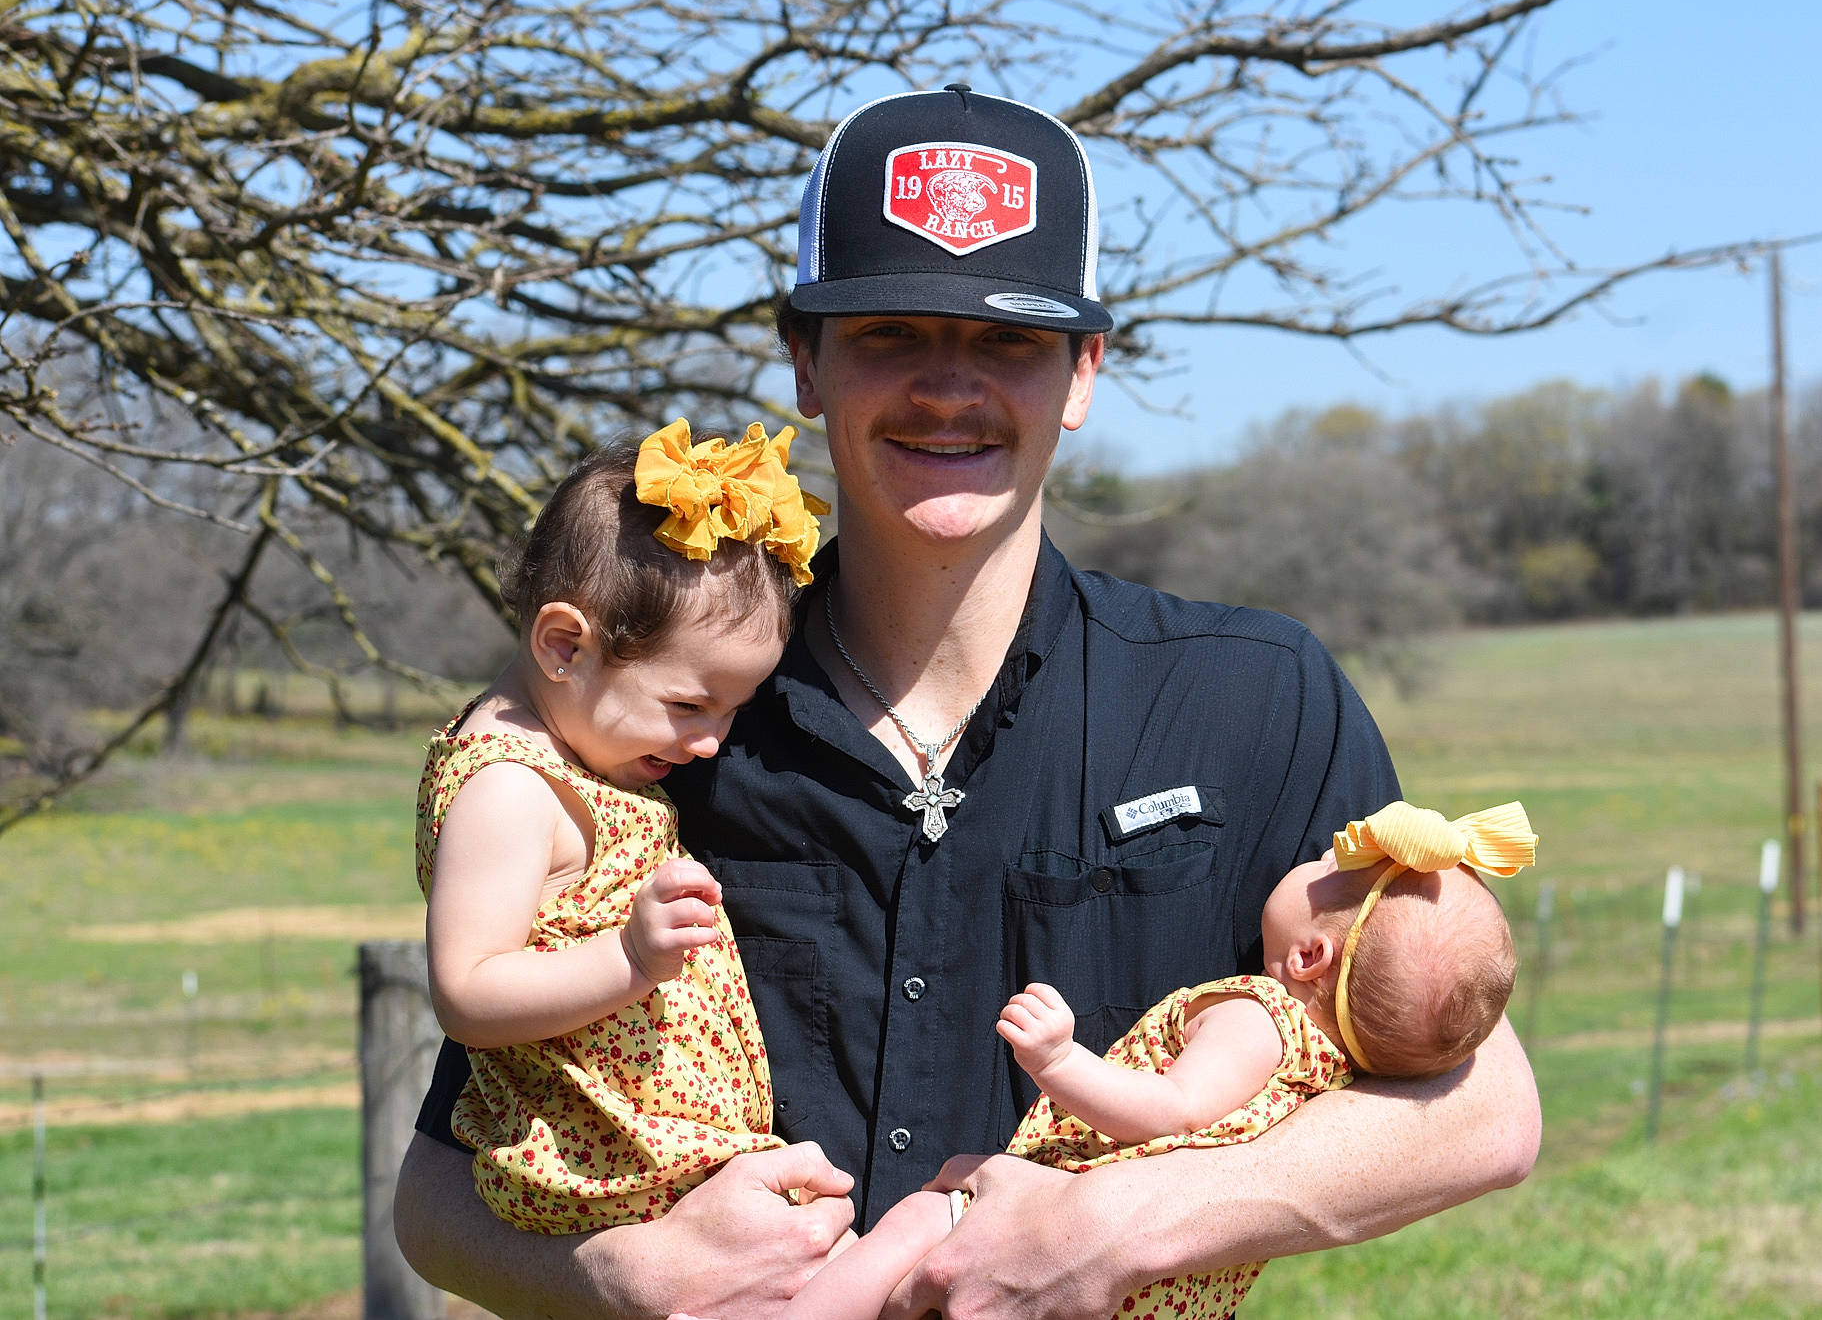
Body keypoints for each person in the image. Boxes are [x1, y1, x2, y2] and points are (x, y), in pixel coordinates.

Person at [394, 85, 1541, 1320]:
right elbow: (435, 1192)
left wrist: (1117, 1225)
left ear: (1084, 370)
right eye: (890, 332)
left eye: (1008, 342)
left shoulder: (1251, 698)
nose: (949, 387)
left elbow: (1482, 1110)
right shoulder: (662, 730)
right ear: (804, 364)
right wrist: (617, 1276)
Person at [781, 801, 1535, 1320]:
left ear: (1310, 954)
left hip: (1064, 1220)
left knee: (917, 1221)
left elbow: (1167, 1109)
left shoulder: (1258, 1019)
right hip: (1164, 1286)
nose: (1310, 857)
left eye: (1328, 865)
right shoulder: (1332, 1070)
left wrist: (1060, 1060)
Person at [415, 421, 826, 1232]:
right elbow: (465, 991)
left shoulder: (573, 754)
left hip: (658, 1158)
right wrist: (627, 957)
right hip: (611, 1168)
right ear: (564, 645)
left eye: (730, 712)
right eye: (686, 705)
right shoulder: (508, 788)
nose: (710, 742)